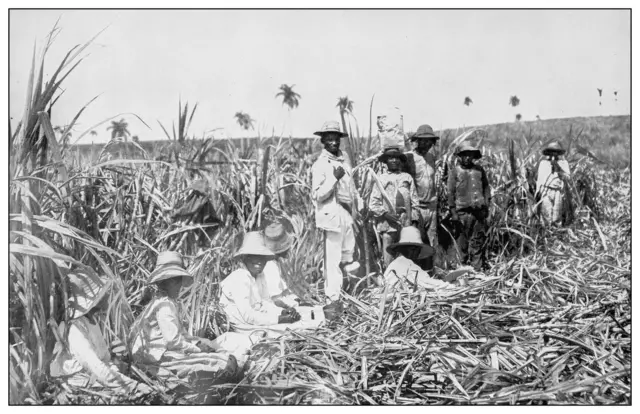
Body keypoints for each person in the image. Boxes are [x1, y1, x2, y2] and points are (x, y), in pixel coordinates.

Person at [129, 251, 251, 386]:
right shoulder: (164, 306)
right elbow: (173, 342)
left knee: (212, 350)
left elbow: (180, 335)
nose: (179, 285)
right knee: (217, 361)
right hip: (154, 357)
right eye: (174, 281)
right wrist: (198, 349)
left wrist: (197, 342)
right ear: (163, 283)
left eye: (178, 280)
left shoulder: (161, 301)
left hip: (152, 353)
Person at [50, 270, 152, 399]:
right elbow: (95, 367)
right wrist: (133, 386)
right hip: (81, 382)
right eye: (105, 293)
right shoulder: (76, 327)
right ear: (94, 299)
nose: (109, 295)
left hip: (97, 378)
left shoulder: (91, 321)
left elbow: (105, 361)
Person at [220, 232, 326, 339]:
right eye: (254, 257)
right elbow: (248, 315)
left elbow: (266, 302)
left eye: (262, 257)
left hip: (259, 318)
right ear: (244, 258)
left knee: (302, 319)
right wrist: (279, 319)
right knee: (301, 329)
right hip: (243, 326)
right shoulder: (239, 277)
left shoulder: (260, 275)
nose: (259, 261)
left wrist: (282, 312)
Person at [310, 120, 362, 303]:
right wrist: (333, 178)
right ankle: (333, 300)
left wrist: (359, 207)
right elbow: (317, 195)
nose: (333, 143)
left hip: (347, 216)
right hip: (331, 218)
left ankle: (349, 294)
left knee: (349, 257)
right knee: (332, 261)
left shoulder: (345, 161)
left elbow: (352, 189)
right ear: (323, 141)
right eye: (329, 139)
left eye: (336, 139)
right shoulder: (320, 164)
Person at [369, 148, 420, 267]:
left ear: (400, 161)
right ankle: (390, 280)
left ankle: (406, 280)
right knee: (388, 254)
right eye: (390, 158)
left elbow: (415, 201)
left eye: (396, 158)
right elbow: (374, 203)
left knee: (406, 254)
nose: (394, 160)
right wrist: (386, 215)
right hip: (387, 225)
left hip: (405, 224)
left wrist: (414, 221)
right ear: (386, 161)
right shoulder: (380, 178)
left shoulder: (407, 177)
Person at [447, 143, 491, 271]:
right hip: (462, 213)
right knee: (462, 241)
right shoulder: (455, 171)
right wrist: (453, 212)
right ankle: (463, 269)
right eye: (464, 155)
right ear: (459, 157)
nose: (467, 158)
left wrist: (486, 205)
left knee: (477, 240)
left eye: (470, 155)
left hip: (478, 212)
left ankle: (477, 269)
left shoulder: (479, 170)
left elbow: (486, 187)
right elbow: (450, 193)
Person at [382, 226, 457, 294]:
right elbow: (427, 283)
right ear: (402, 249)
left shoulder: (394, 264)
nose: (416, 253)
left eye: (418, 250)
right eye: (413, 249)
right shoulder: (406, 264)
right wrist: (450, 286)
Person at [406, 124, 440, 249]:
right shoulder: (409, 158)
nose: (427, 144)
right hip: (417, 206)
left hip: (432, 206)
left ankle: (432, 267)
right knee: (417, 240)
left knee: (432, 239)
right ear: (417, 141)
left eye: (429, 141)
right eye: (423, 140)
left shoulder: (431, 157)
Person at [260, 219, 306, 308]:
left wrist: (297, 300)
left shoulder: (278, 263)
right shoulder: (269, 267)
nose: (289, 249)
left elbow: (285, 293)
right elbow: (275, 300)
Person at [536, 141, 571, 226]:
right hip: (546, 190)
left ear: (558, 153)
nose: (553, 154)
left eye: (555, 152)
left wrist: (558, 168)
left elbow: (567, 177)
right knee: (546, 214)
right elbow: (540, 179)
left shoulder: (563, 163)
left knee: (556, 216)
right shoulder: (543, 163)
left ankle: (556, 234)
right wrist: (538, 192)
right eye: (551, 152)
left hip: (557, 191)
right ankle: (546, 234)